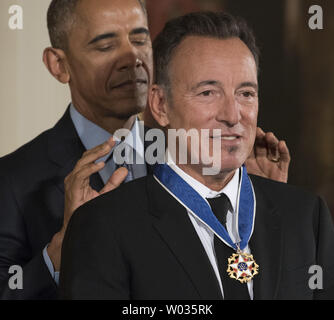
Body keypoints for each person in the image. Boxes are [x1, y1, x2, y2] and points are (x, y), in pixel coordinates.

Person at [0, 0, 289, 300]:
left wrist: (261, 202)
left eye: (140, 40)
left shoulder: (200, 153)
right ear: (58, 65)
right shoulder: (12, 180)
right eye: (105, 45)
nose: (133, 59)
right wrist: (63, 250)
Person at [60, 11, 334, 300]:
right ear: (160, 104)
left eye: (246, 94)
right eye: (207, 93)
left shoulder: (306, 216)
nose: (232, 115)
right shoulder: (104, 226)